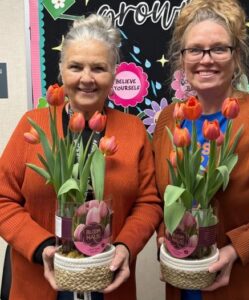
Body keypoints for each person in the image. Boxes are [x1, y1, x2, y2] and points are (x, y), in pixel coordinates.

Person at [0, 15, 162, 300]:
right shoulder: (32, 125)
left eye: (99, 68)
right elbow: (2, 199)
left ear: (113, 74)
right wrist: (42, 247)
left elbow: (148, 203)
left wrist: (125, 246)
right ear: (62, 71)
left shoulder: (133, 130)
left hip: (110, 281)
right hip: (41, 282)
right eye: (76, 67)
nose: (87, 78)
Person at [152, 0, 249, 299]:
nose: (206, 59)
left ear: (237, 56)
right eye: (195, 50)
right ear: (182, 59)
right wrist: (163, 235)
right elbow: (163, 196)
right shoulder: (170, 119)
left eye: (219, 48)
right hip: (185, 283)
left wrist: (236, 249)